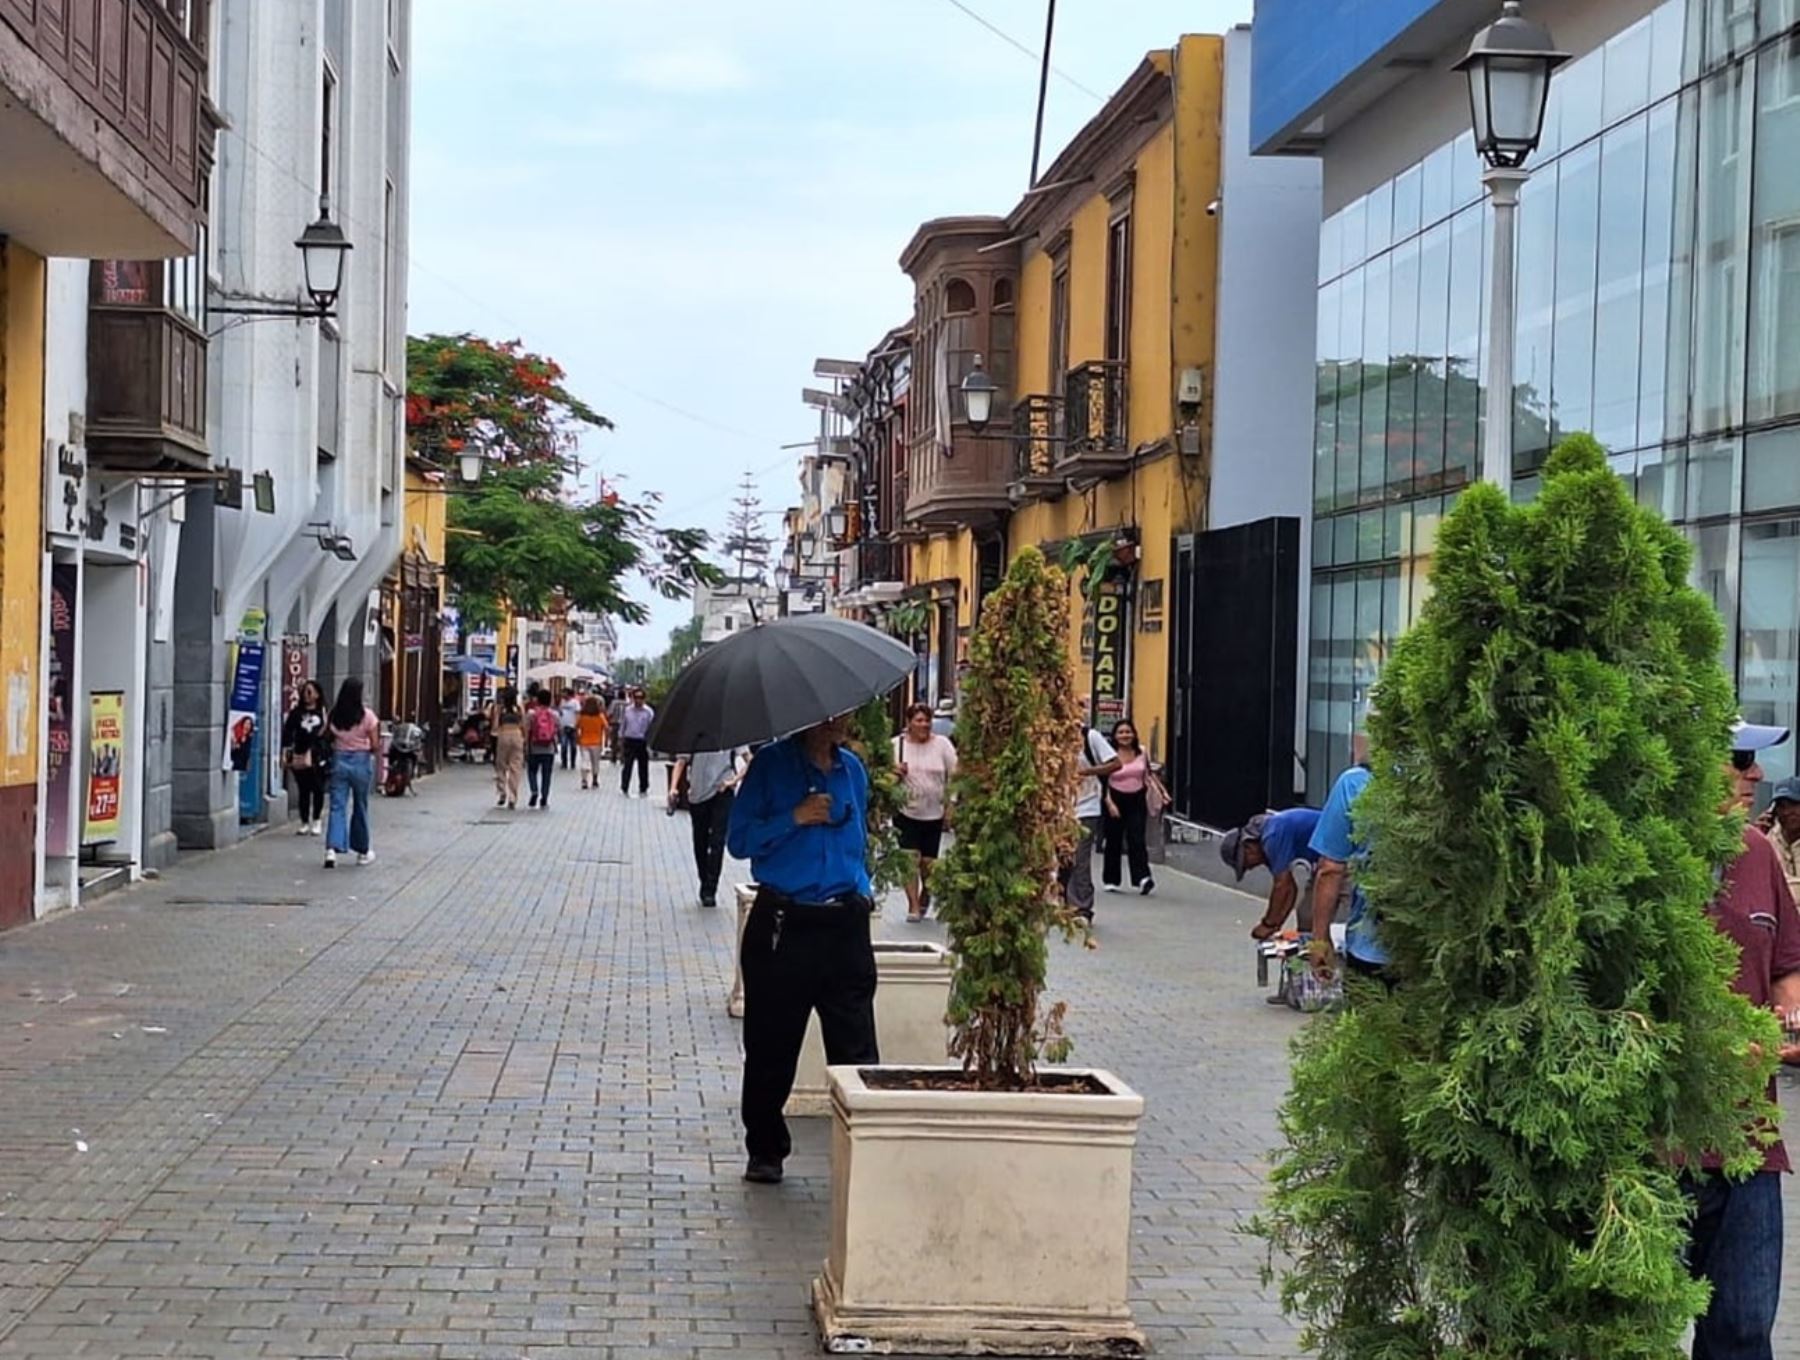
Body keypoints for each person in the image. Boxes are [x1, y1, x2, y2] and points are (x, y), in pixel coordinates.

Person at [1683, 719, 1800, 1359]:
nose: (1756, 774)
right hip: (1652, 1151)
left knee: (1746, 1330)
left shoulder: (1759, 853)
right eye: (1739, 758)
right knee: (1631, 1326)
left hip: (1750, 1144)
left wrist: (1787, 1015)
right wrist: (1712, 1047)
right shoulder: (1636, 861)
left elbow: (1787, 962)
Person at [726, 713, 879, 1185]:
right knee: (772, 1046)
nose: (844, 723)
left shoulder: (852, 769)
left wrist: (862, 888)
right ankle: (766, 1149)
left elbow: (858, 840)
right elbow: (739, 840)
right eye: (833, 717)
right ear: (810, 719)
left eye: (846, 715)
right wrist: (795, 817)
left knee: (857, 1047)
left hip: (843, 924)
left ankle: (866, 1149)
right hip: (784, 925)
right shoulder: (771, 766)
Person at [893, 702, 958, 923]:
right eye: (919, 720)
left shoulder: (942, 745)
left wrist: (952, 804)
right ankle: (912, 905)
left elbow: (954, 774)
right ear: (909, 723)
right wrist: (895, 773)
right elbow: (884, 777)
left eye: (927, 720)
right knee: (909, 859)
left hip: (934, 813)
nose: (924, 725)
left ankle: (925, 894)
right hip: (906, 811)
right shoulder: (897, 745)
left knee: (928, 864)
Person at [1221, 807, 1323, 940]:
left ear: (1248, 847)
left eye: (1247, 863)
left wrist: (1267, 923)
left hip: (1341, 854)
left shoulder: (1272, 837)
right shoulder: (1267, 841)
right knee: (1306, 917)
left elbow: (1282, 886)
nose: (1251, 868)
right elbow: (1291, 890)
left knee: (1313, 918)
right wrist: (1276, 926)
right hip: (1325, 859)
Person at [671, 747, 747, 907]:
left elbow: (750, 760)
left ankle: (710, 889)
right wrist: (673, 788)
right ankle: (704, 879)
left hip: (722, 791)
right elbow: (681, 760)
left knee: (717, 841)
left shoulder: (729, 731)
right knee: (700, 841)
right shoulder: (693, 733)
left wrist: (733, 780)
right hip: (698, 794)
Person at [1065, 709, 1120, 923]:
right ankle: (1065, 903)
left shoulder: (1090, 737)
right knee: (1062, 857)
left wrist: (1087, 773)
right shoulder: (1051, 738)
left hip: (1086, 807)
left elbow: (1115, 763)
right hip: (1060, 808)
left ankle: (1082, 907)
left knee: (1080, 857)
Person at [322, 678, 379, 869]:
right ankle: (362, 851)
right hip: (361, 762)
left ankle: (332, 849)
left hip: (339, 760)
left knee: (337, 805)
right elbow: (375, 744)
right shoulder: (367, 716)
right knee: (360, 805)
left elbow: (326, 735)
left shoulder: (334, 716)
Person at [1100, 718, 1155, 896]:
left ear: (1134, 734)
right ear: (1115, 736)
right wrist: (1109, 802)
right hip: (1114, 798)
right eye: (1121, 732)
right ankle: (1111, 879)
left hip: (1137, 798)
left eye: (1128, 732)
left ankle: (1143, 878)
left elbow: (1148, 775)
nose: (1125, 736)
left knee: (1137, 838)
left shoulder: (1142, 752)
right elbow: (1103, 780)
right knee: (1114, 839)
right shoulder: (1109, 754)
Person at [281, 680, 331, 837]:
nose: (307, 695)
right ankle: (304, 821)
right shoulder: (296, 713)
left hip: (318, 755)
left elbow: (328, 733)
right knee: (303, 789)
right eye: (304, 692)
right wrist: (286, 753)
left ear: (317, 694)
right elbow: (288, 733)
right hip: (300, 753)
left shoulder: (322, 712)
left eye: (310, 692)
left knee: (318, 788)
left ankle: (316, 819)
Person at [1756, 774, 1800, 905]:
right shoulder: (1768, 838)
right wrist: (1756, 837)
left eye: (1794, 805)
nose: (1787, 812)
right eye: (1782, 806)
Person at [525, 689, 559, 809]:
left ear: (537, 699)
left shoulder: (531, 713)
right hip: (549, 749)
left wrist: (525, 746)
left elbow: (526, 730)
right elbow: (558, 729)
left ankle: (534, 790)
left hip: (533, 748)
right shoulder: (554, 714)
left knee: (532, 771)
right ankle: (544, 798)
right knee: (546, 774)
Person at [618, 687, 655, 797]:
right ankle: (624, 787)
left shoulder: (648, 712)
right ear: (633, 698)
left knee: (643, 766)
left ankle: (643, 787)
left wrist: (651, 742)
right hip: (629, 740)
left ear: (644, 699)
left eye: (641, 697)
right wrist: (620, 738)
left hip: (642, 741)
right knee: (627, 765)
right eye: (636, 697)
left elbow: (652, 727)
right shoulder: (628, 710)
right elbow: (623, 725)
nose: (638, 700)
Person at [492, 688, 525, 809]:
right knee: (515, 767)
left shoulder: (500, 709)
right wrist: (524, 738)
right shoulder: (519, 709)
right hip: (517, 735)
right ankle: (513, 796)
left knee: (501, 766)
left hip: (503, 735)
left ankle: (502, 792)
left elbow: (495, 726)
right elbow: (523, 725)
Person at [576, 695, 609, 790]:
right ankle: (595, 780)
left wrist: (577, 738)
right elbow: (606, 728)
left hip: (584, 742)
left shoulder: (582, 716)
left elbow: (576, 727)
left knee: (584, 761)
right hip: (596, 743)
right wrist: (606, 740)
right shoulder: (600, 716)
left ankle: (584, 780)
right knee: (595, 762)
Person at [558, 690, 581, 770]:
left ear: (569, 694)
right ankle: (564, 763)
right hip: (564, 726)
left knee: (573, 746)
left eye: (564, 693)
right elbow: (560, 713)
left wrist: (576, 725)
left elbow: (578, 713)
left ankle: (573, 763)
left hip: (572, 726)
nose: (562, 694)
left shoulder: (575, 702)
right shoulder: (562, 701)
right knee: (563, 745)